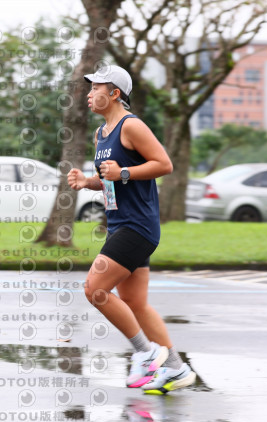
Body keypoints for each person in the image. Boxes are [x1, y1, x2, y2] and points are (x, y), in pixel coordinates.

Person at [67, 64, 196, 395]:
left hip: (138, 226)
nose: (89, 93)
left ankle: (145, 352)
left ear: (114, 94)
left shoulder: (131, 125)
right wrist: (88, 182)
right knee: (135, 303)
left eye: (96, 88)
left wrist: (123, 172)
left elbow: (163, 164)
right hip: (120, 225)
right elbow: (110, 179)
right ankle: (176, 368)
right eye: (90, 87)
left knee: (95, 289)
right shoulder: (102, 134)